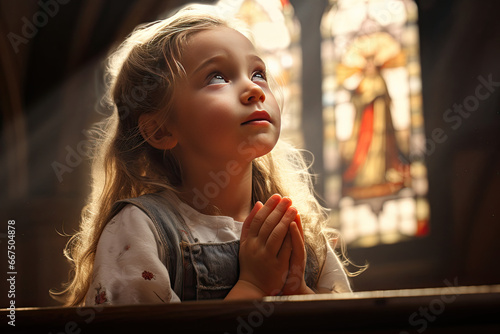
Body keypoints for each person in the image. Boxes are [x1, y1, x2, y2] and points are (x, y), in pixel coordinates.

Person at [51, 4, 353, 306]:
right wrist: (252, 285)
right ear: (160, 131)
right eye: (217, 77)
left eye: (258, 73)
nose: (254, 89)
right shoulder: (139, 229)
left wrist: (300, 295)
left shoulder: (298, 228)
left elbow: (353, 324)